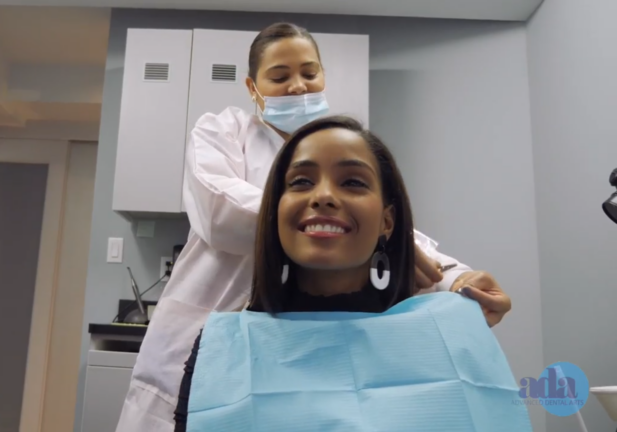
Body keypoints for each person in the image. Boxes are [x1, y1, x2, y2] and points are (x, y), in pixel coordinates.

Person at [115, 22, 512, 432]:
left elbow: (382, 224)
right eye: (280, 76)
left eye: (309, 72)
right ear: (253, 88)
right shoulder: (224, 131)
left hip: (294, 341)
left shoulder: (346, 144)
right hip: (203, 339)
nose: (299, 87)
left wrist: (452, 275)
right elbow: (220, 210)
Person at [173, 115, 525, 431]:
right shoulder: (222, 349)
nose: (323, 196)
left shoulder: (451, 335)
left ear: (387, 221)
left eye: (353, 182)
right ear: (275, 212)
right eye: (300, 182)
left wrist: (456, 282)